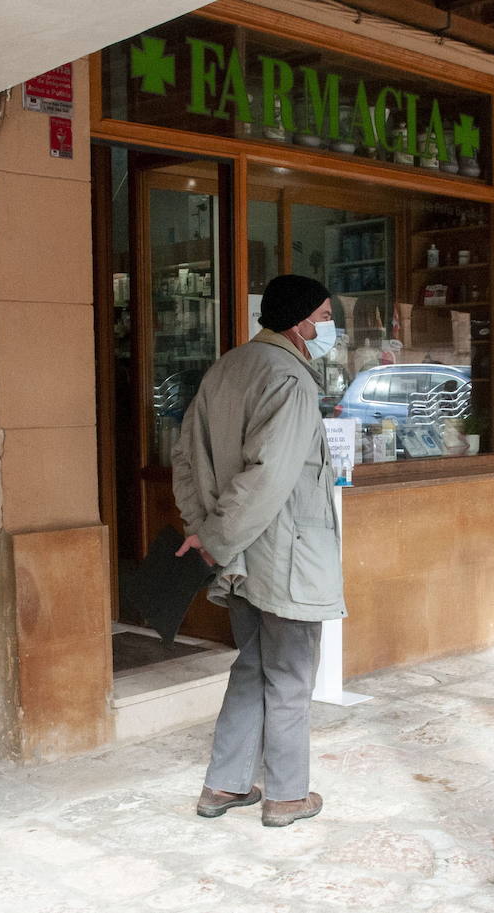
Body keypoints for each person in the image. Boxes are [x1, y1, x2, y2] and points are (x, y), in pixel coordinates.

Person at [170, 274, 346, 828]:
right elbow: (268, 478)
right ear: (298, 322)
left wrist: (205, 534)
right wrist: (218, 535)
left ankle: (223, 785)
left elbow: (185, 460)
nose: (326, 326)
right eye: (322, 316)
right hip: (283, 554)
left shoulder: (226, 368)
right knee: (291, 674)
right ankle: (287, 795)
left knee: (252, 666)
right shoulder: (289, 379)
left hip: (237, 556)